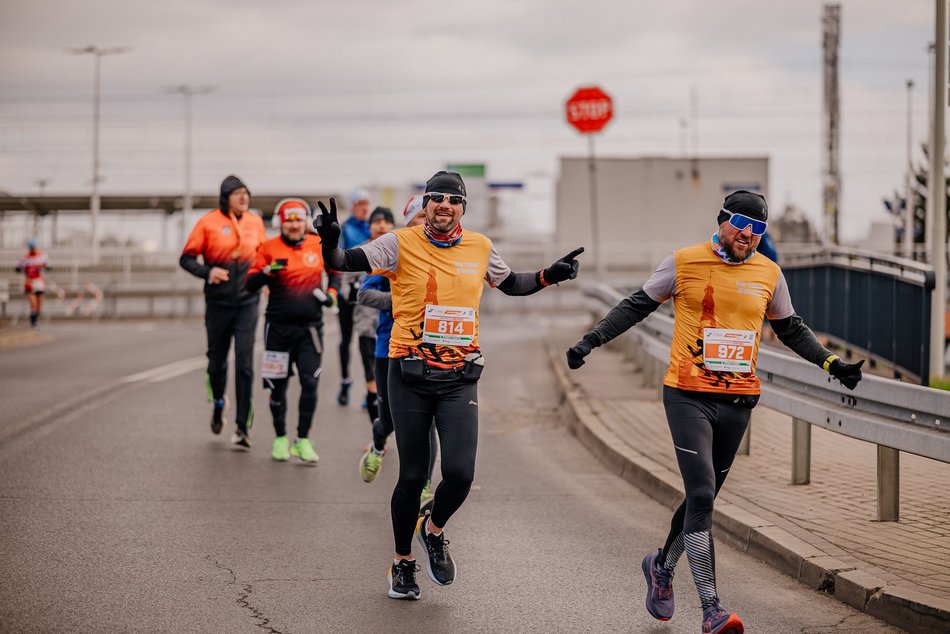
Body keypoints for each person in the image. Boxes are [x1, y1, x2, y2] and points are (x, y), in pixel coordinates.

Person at [565, 190, 864, 634]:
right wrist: (589, 342)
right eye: (741, 224)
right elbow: (635, 306)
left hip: (739, 401)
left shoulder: (769, 273)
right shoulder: (683, 261)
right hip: (688, 395)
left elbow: (791, 329)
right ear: (722, 220)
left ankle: (661, 567)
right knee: (702, 494)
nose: (748, 234)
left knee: (700, 500)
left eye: (758, 228)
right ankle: (712, 609)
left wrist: (831, 364)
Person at [315, 170, 585, 601]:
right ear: (425, 204)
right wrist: (329, 240)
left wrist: (550, 274)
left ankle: (433, 529)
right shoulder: (398, 243)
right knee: (413, 475)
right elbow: (342, 262)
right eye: (436, 198)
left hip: (460, 377)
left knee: (460, 474)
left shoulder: (480, 246)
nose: (444, 205)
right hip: (409, 373)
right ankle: (402, 563)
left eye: (453, 200)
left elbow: (511, 283)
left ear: (463, 207)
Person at [357, 197, 438, 512]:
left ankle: (425, 486)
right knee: (388, 421)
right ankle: (378, 446)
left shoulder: (444, 254)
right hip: (389, 348)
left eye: (427, 215)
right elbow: (364, 293)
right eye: (420, 216)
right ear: (409, 222)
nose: (426, 220)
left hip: (429, 348)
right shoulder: (395, 251)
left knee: (429, 422)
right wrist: (398, 301)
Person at [180, 175, 267, 449]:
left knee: (244, 362)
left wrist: (267, 280)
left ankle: (242, 427)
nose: (244, 197)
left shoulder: (256, 222)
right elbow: (186, 258)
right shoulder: (208, 222)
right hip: (218, 303)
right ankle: (219, 402)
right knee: (216, 362)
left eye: (246, 193)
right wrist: (208, 272)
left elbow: (264, 257)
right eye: (238, 193)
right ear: (225, 197)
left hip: (248, 302)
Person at [245, 198, 333, 463]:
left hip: (310, 331)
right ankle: (280, 437)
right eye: (288, 220)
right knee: (278, 386)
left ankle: (303, 439)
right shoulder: (268, 248)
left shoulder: (317, 244)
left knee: (310, 382)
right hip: (278, 331)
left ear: (305, 221)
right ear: (280, 223)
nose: (294, 225)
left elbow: (337, 271)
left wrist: (332, 293)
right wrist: (267, 271)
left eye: (298, 220)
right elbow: (250, 284)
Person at [331, 188, 373, 406]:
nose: (364, 209)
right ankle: (345, 381)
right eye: (360, 205)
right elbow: (337, 259)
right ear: (352, 206)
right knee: (346, 338)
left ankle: (371, 388)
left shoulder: (373, 227)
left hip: (368, 291)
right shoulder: (345, 229)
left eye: (367, 205)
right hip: (346, 292)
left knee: (367, 339)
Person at [16, 239, 50, 329]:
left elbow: (48, 266)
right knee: (33, 304)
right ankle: (33, 323)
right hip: (29, 282)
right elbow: (18, 267)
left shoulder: (42, 256)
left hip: (39, 283)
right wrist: (24, 270)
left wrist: (43, 268)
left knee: (39, 305)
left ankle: (35, 320)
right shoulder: (25, 257)